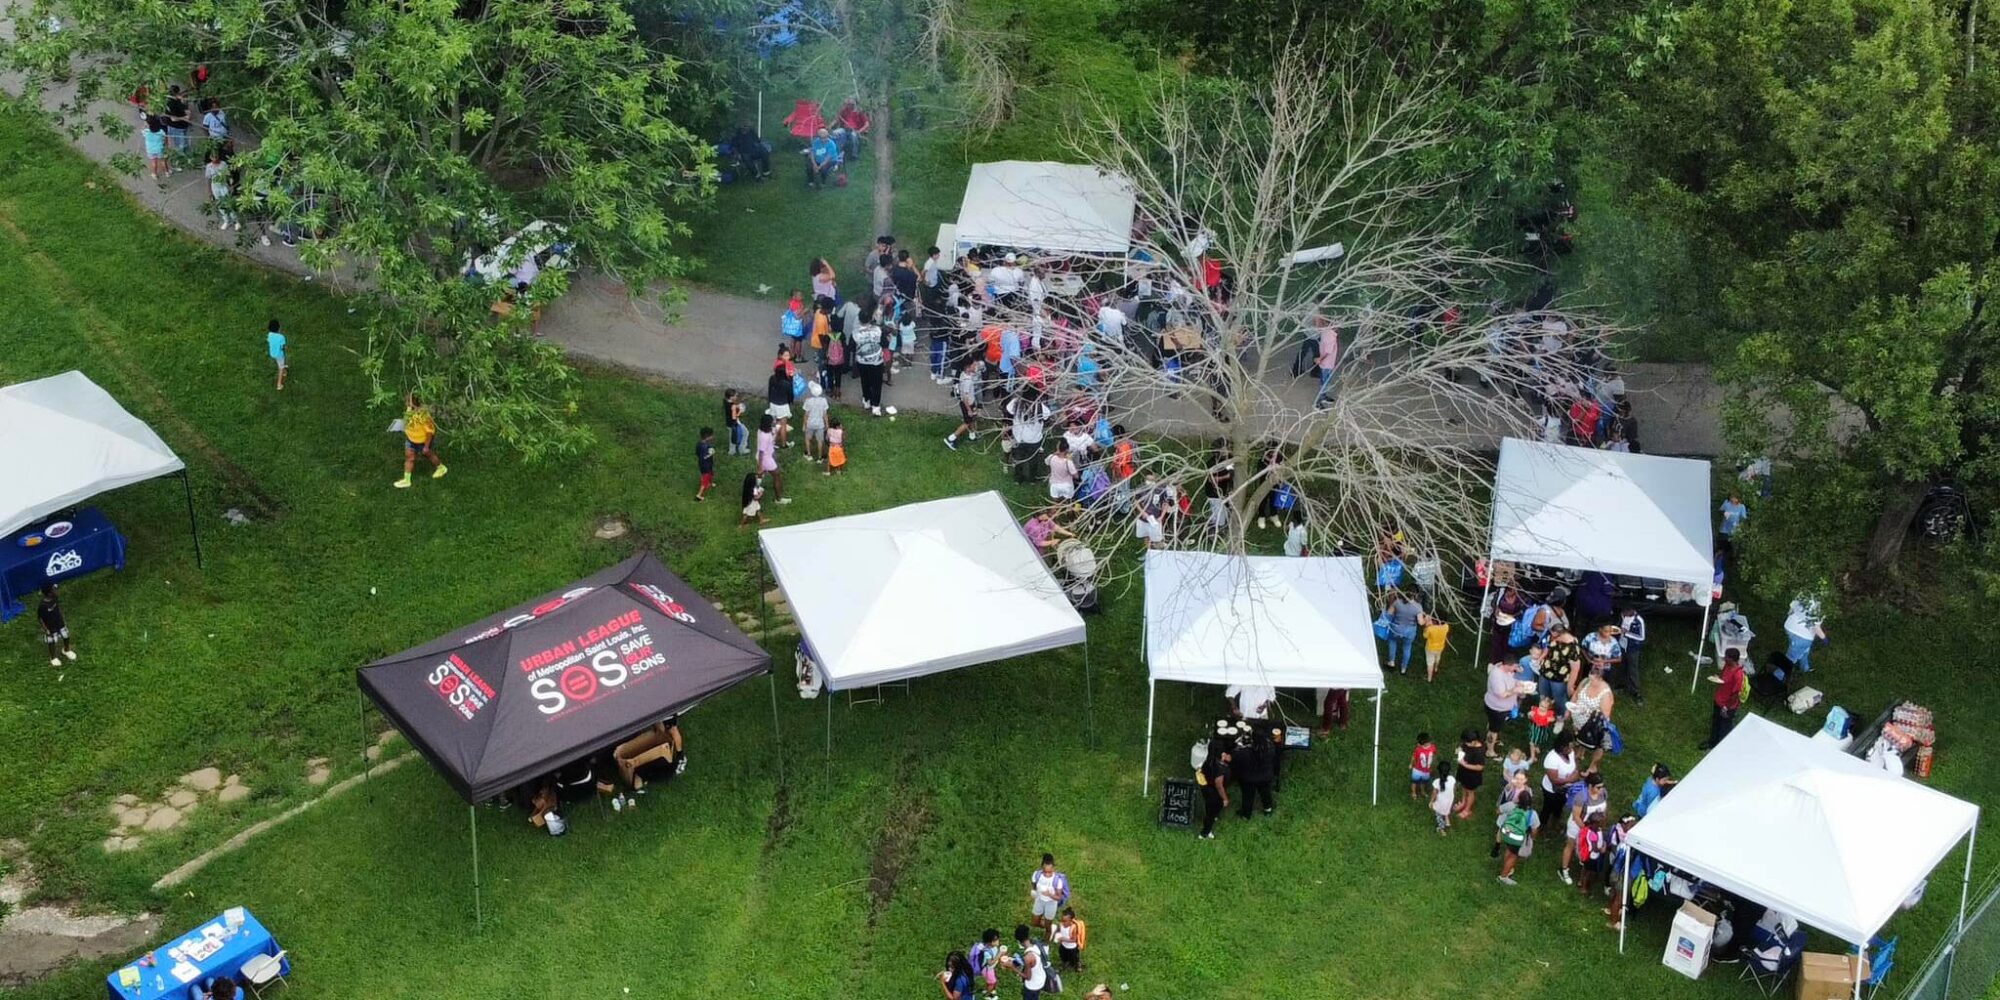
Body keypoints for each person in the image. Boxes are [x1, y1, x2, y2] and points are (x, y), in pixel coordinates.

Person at [1558, 771, 1607, 886]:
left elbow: (1604, 809)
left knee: (1588, 846)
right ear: (1590, 786)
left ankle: (1583, 866)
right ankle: (1563, 869)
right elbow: (1576, 816)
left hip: (1594, 826)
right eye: (1598, 787)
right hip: (1578, 825)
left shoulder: (1603, 793)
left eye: (1602, 786)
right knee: (1571, 844)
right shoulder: (1582, 796)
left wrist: (1601, 824)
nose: (1601, 789)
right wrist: (1586, 830)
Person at [395, 393, 446, 487]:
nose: (406, 404)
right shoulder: (410, 410)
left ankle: (441, 468)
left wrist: (426, 446)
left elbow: (430, 432)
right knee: (410, 457)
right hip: (411, 439)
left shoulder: (424, 415)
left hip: (422, 440)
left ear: (415, 402)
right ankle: (406, 480)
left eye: (408, 402)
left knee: (429, 454)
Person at [1572, 667, 1617, 770]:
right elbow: (1576, 695)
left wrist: (1586, 711)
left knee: (1598, 747)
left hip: (1594, 726)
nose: (1590, 682)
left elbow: (1604, 715)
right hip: (1579, 721)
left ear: (1600, 679)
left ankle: (1592, 766)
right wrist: (1570, 708)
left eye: (1593, 680)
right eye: (1589, 678)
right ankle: (1580, 753)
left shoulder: (1605, 694)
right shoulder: (1585, 682)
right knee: (1580, 738)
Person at [1702, 647, 1747, 749]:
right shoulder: (1727, 665)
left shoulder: (1738, 675)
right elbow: (1723, 677)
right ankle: (1712, 742)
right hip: (1719, 699)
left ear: (1732, 659)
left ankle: (1720, 747)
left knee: (1724, 727)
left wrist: (1726, 707)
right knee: (1716, 722)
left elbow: (1735, 694)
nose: (1724, 658)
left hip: (1727, 706)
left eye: (1726, 657)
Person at [1538, 737, 1580, 840]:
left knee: (1559, 807)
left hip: (1565, 789)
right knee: (1547, 809)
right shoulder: (1552, 759)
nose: (1571, 749)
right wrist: (1570, 779)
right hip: (1551, 790)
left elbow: (1574, 764)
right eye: (1569, 747)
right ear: (1562, 747)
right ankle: (1541, 827)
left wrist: (1575, 772)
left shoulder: (1570, 752)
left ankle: (1555, 823)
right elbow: (1554, 780)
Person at [1235, 724, 1277, 819]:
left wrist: (1239, 746)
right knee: (1265, 792)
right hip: (1265, 776)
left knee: (1248, 796)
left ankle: (1246, 814)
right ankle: (1268, 809)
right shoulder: (1270, 748)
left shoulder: (1246, 752)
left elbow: (1238, 758)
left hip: (1249, 779)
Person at [1482, 658, 1521, 755]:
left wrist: (1517, 683)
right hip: (1497, 708)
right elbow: (1502, 694)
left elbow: (1512, 678)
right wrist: (1515, 690)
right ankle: (1490, 750)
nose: (1516, 669)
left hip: (1501, 707)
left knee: (1493, 724)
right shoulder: (1497, 677)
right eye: (1514, 667)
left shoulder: (1504, 668)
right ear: (1507, 665)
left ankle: (1490, 739)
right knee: (1493, 731)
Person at [944, 357, 984, 450]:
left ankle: (972, 435)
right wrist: (969, 409)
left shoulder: (964, 374)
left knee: (972, 419)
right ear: (968, 367)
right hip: (968, 404)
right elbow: (965, 397)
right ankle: (951, 438)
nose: (976, 366)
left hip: (970, 402)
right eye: (974, 365)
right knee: (967, 422)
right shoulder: (967, 381)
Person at [1196, 731, 1230, 839]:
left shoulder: (1208, 760)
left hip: (1206, 788)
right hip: (1214, 793)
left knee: (1210, 807)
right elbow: (1219, 785)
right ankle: (1205, 833)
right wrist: (1225, 799)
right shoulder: (1219, 768)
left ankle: (1212, 816)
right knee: (1211, 813)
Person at [1497, 789, 1534, 885]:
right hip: (1517, 839)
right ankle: (1503, 877)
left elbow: (1498, 811)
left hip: (1506, 834)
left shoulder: (1511, 806)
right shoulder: (1532, 814)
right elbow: (1535, 829)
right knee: (1514, 856)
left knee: (1509, 849)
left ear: (1518, 799)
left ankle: (1507, 867)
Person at [1027, 852, 1070, 933]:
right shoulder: (1037, 875)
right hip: (1039, 900)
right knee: (1034, 923)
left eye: (1049, 872)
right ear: (1041, 867)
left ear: (1053, 868)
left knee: (1047, 928)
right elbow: (1034, 885)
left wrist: (1049, 894)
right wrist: (1035, 892)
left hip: (1051, 903)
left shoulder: (1057, 880)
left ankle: (1046, 942)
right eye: (1045, 871)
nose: (1047, 874)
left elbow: (1058, 897)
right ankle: (1052, 928)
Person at [1783, 596, 1828, 673]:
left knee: (1804, 650)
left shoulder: (1804, 594)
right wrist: (1824, 639)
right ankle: (1776, 678)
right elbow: (1816, 628)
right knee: (1790, 659)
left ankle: (1805, 669)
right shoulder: (1821, 608)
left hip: (1789, 627)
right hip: (1802, 636)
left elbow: (1790, 610)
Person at [1383, 589, 1422, 674]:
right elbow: (1420, 622)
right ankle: (1403, 668)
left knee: (1392, 641)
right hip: (1410, 631)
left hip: (1396, 628)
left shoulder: (1397, 602)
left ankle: (1391, 661)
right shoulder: (1417, 606)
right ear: (1415, 595)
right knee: (1407, 647)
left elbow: (1389, 613)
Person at [755, 414, 790, 506]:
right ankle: (779, 498)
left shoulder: (761, 431)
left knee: (760, 476)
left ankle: (755, 490)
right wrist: (760, 465)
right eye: (772, 421)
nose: (774, 422)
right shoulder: (765, 436)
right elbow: (762, 452)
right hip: (766, 459)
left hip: (767, 456)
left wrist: (776, 432)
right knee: (776, 475)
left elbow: (772, 440)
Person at [1008, 924, 1050, 1000]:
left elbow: (1027, 977)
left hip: (1032, 985)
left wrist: (1012, 967)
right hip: (1041, 978)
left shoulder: (1028, 957)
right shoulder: (1037, 944)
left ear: (1019, 941)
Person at [1616, 607, 1647, 705]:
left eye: (1626, 612)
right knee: (1621, 666)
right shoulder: (1622, 615)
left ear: (1632, 611)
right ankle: (1621, 685)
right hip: (1622, 645)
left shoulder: (1639, 621)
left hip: (1633, 648)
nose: (1624, 613)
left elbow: (1642, 637)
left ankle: (1636, 692)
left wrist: (1627, 633)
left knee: (1633, 668)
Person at [37, 585, 76, 666]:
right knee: (52, 642)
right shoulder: (42, 606)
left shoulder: (55, 598)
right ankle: (53, 657)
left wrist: (62, 618)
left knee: (66, 636)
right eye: (54, 590)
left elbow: (58, 609)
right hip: (50, 627)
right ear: (49, 593)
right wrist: (46, 630)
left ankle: (66, 650)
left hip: (60, 623)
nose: (56, 591)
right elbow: (40, 619)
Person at [1453, 730, 1486, 819]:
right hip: (1463, 772)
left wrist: (1465, 764)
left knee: (1470, 792)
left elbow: (1480, 767)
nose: (1465, 744)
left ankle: (1467, 809)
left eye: (1467, 743)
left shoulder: (1479, 752)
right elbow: (1463, 747)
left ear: (1474, 741)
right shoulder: (1467, 744)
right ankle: (1463, 801)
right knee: (1464, 787)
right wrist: (1459, 751)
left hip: (1472, 775)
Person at [205, 149, 239, 230]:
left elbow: (228, 175)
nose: (214, 159)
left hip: (224, 186)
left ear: (218, 157)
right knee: (220, 204)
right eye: (212, 157)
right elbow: (209, 179)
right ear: (210, 157)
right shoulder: (209, 166)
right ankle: (226, 220)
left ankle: (236, 221)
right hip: (215, 187)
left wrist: (231, 184)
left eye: (216, 157)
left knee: (228, 203)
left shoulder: (223, 164)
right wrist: (210, 192)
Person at [765, 364, 795, 449]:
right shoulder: (786, 383)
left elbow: (769, 390)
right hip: (782, 405)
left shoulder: (772, 379)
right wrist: (791, 379)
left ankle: (772, 441)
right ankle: (784, 444)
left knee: (774, 424)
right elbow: (790, 395)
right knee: (783, 425)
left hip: (773, 403)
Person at [801, 381, 830, 463]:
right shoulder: (824, 401)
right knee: (820, 441)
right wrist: (827, 424)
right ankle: (820, 457)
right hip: (820, 424)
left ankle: (809, 454)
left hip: (810, 423)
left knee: (807, 438)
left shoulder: (808, 401)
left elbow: (806, 415)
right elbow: (825, 414)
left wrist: (804, 425)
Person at [971, 929, 1004, 1000]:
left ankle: (988, 989)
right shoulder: (987, 952)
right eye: (996, 940)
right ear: (991, 942)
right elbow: (990, 963)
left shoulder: (993, 947)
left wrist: (1000, 956)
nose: (998, 940)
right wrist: (999, 954)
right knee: (992, 982)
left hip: (990, 969)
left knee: (989, 982)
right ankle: (988, 995)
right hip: (987, 970)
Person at [1052, 908, 1085, 973]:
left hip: (1072, 948)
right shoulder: (1061, 924)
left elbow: (1074, 940)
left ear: (1071, 921)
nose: (1063, 922)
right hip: (1063, 946)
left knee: (1074, 958)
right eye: (1062, 920)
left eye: (1065, 921)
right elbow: (1059, 930)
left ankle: (1077, 964)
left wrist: (1063, 939)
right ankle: (1064, 963)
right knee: (1063, 955)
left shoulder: (1073, 928)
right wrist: (1056, 934)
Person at [1420, 613, 1450, 682]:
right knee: (1438, 657)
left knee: (1430, 662)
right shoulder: (1446, 626)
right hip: (1440, 647)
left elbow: (1425, 636)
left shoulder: (1430, 629)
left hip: (1430, 648)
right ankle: (1436, 668)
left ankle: (1429, 679)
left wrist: (1426, 626)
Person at [1410, 731, 1437, 802]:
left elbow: (1433, 755)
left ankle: (1422, 791)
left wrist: (1432, 766)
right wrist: (1411, 764)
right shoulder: (1418, 749)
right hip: (1417, 769)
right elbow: (1413, 757)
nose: (1429, 742)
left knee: (1423, 782)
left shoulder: (1433, 747)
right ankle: (1413, 793)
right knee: (1414, 781)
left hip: (1427, 770)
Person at [163, 84, 192, 151]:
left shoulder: (176, 99)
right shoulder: (170, 104)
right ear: (176, 93)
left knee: (184, 144)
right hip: (176, 128)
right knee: (181, 146)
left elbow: (182, 107)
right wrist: (186, 117)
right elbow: (173, 118)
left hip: (182, 125)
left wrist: (186, 110)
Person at [1431, 761, 1457, 834]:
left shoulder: (1436, 782)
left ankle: (1441, 829)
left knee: (1439, 815)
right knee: (1446, 810)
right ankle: (1447, 821)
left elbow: (1434, 794)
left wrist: (1431, 802)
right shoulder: (1452, 779)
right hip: (1449, 800)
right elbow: (1454, 789)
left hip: (1440, 803)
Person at [142, 115, 169, 183]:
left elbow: (143, 130)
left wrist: (145, 125)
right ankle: (167, 172)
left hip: (150, 150)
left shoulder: (146, 132)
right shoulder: (161, 132)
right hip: (160, 149)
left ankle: (154, 174)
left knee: (154, 162)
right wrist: (166, 146)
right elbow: (165, 140)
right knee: (163, 161)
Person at [264, 318, 288, 390]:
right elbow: (283, 346)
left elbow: (269, 341)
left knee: (281, 364)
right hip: (279, 355)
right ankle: (279, 384)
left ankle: (284, 372)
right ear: (279, 328)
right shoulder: (281, 337)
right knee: (280, 367)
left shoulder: (269, 334)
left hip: (272, 353)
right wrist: (284, 349)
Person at [723, 388, 748, 455]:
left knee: (732, 437)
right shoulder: (733, 406)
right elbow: (734, 417)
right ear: (731, 397)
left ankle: (732, 451)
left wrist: (737, 406)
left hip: (729, 423)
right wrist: (740, 411)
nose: (736, 397)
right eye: (735, 396)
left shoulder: (725, 401)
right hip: (734, 424)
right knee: (745, 433)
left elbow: (731, 407)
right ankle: (742, 449)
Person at [694, 427, 716, 501]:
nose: (713, 437)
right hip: (706, 465)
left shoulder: (699, 444)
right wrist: (711, 453)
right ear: (707, 437)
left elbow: (697, 453)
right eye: (711, 435)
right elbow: (705, 457)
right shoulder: (706, 447)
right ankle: (699, 495)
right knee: (705, 480)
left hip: (703, 464)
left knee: (711, 473)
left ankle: (710, 483)